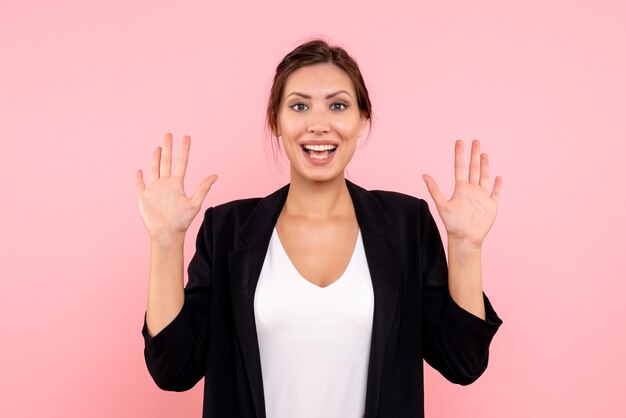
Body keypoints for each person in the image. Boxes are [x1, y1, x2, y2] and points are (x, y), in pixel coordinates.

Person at [136, 39, 503, 418]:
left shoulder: (407, 224)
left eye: (338, 105)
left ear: (363, 120)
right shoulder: (226, 230)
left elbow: (462, 362)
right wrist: (165, 243)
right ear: (275, 121)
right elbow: (173, 370)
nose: (318, 124)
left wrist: (465, 247)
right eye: (299, 106)